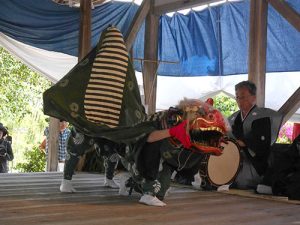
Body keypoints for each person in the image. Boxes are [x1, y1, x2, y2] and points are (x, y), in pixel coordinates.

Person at [228, 80, 282, 190]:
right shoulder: (234, 117)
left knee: (241, 183)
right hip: (234, 156)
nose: (239, 100)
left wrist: (243, 142)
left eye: (242, 97)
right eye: (237, 97)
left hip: (253, 161)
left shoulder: (262, 116)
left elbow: (260, 142)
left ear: (253, 97)